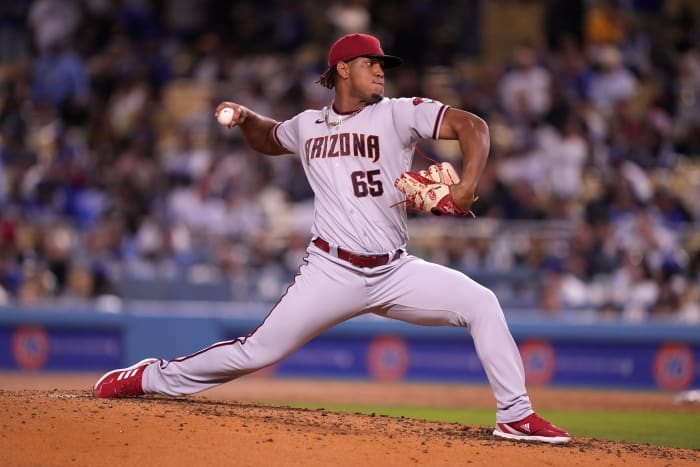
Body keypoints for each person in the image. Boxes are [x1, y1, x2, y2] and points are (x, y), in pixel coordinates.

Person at [93, 33, 571, 444]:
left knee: (481, 302)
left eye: (383, 64)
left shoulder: (398, 114)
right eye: (371, 63)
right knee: (257, 351)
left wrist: (467, 186)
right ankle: (151, 376)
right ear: (343, 69)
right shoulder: (307, 125)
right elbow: (268, 137)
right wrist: (243, 117)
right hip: (330, 270)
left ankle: (514, 415)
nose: (381, 71)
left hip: (394, 270)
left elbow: (473, 126)